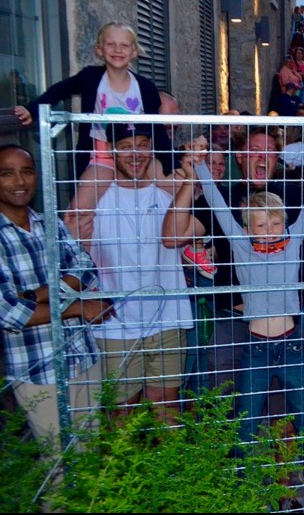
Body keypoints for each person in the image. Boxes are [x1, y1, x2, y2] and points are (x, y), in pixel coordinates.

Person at [189, 153, 304, 508]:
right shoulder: (240, 244)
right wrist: (200, 167)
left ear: (283, 223)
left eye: (273, 222)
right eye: (259, 224)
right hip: (255, 346)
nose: (267, 230)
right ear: (248, 227)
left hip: (291, 344)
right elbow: (218, 204)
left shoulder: (294, 239)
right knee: (247, 420)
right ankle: (244, 484)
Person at [0, 144, 112, 443]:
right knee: (60, 465)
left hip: (82, 358)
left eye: (26, 172)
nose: (19, 181)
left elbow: (86, 267)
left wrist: (36, 295)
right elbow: (9, 314)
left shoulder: (49, 224)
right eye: (7, 174)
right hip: (38, 369)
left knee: (89, 457)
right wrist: (76, 307)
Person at [86, 123, 193, 424]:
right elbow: (74, 256)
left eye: (143, 144)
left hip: (167, 320)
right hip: (115, 325)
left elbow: (184, 232)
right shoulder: (94, 199)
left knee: (166, 412)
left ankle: (168, 473)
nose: (136, 153)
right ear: (111, 149)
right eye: (126, 145)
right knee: (121, 416)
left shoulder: (168, 195)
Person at [13, 21, 174, 180]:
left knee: (174, 185)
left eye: (124, 45)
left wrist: (171, 164)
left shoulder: (146, 87)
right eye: (110, 44)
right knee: (82, 203)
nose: (117, 49)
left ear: (134, 51)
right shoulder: (90, 77)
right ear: (99, 49)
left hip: (137, 156)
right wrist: (32, 109)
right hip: (102, 154)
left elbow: (157, 129)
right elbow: (59, 90)